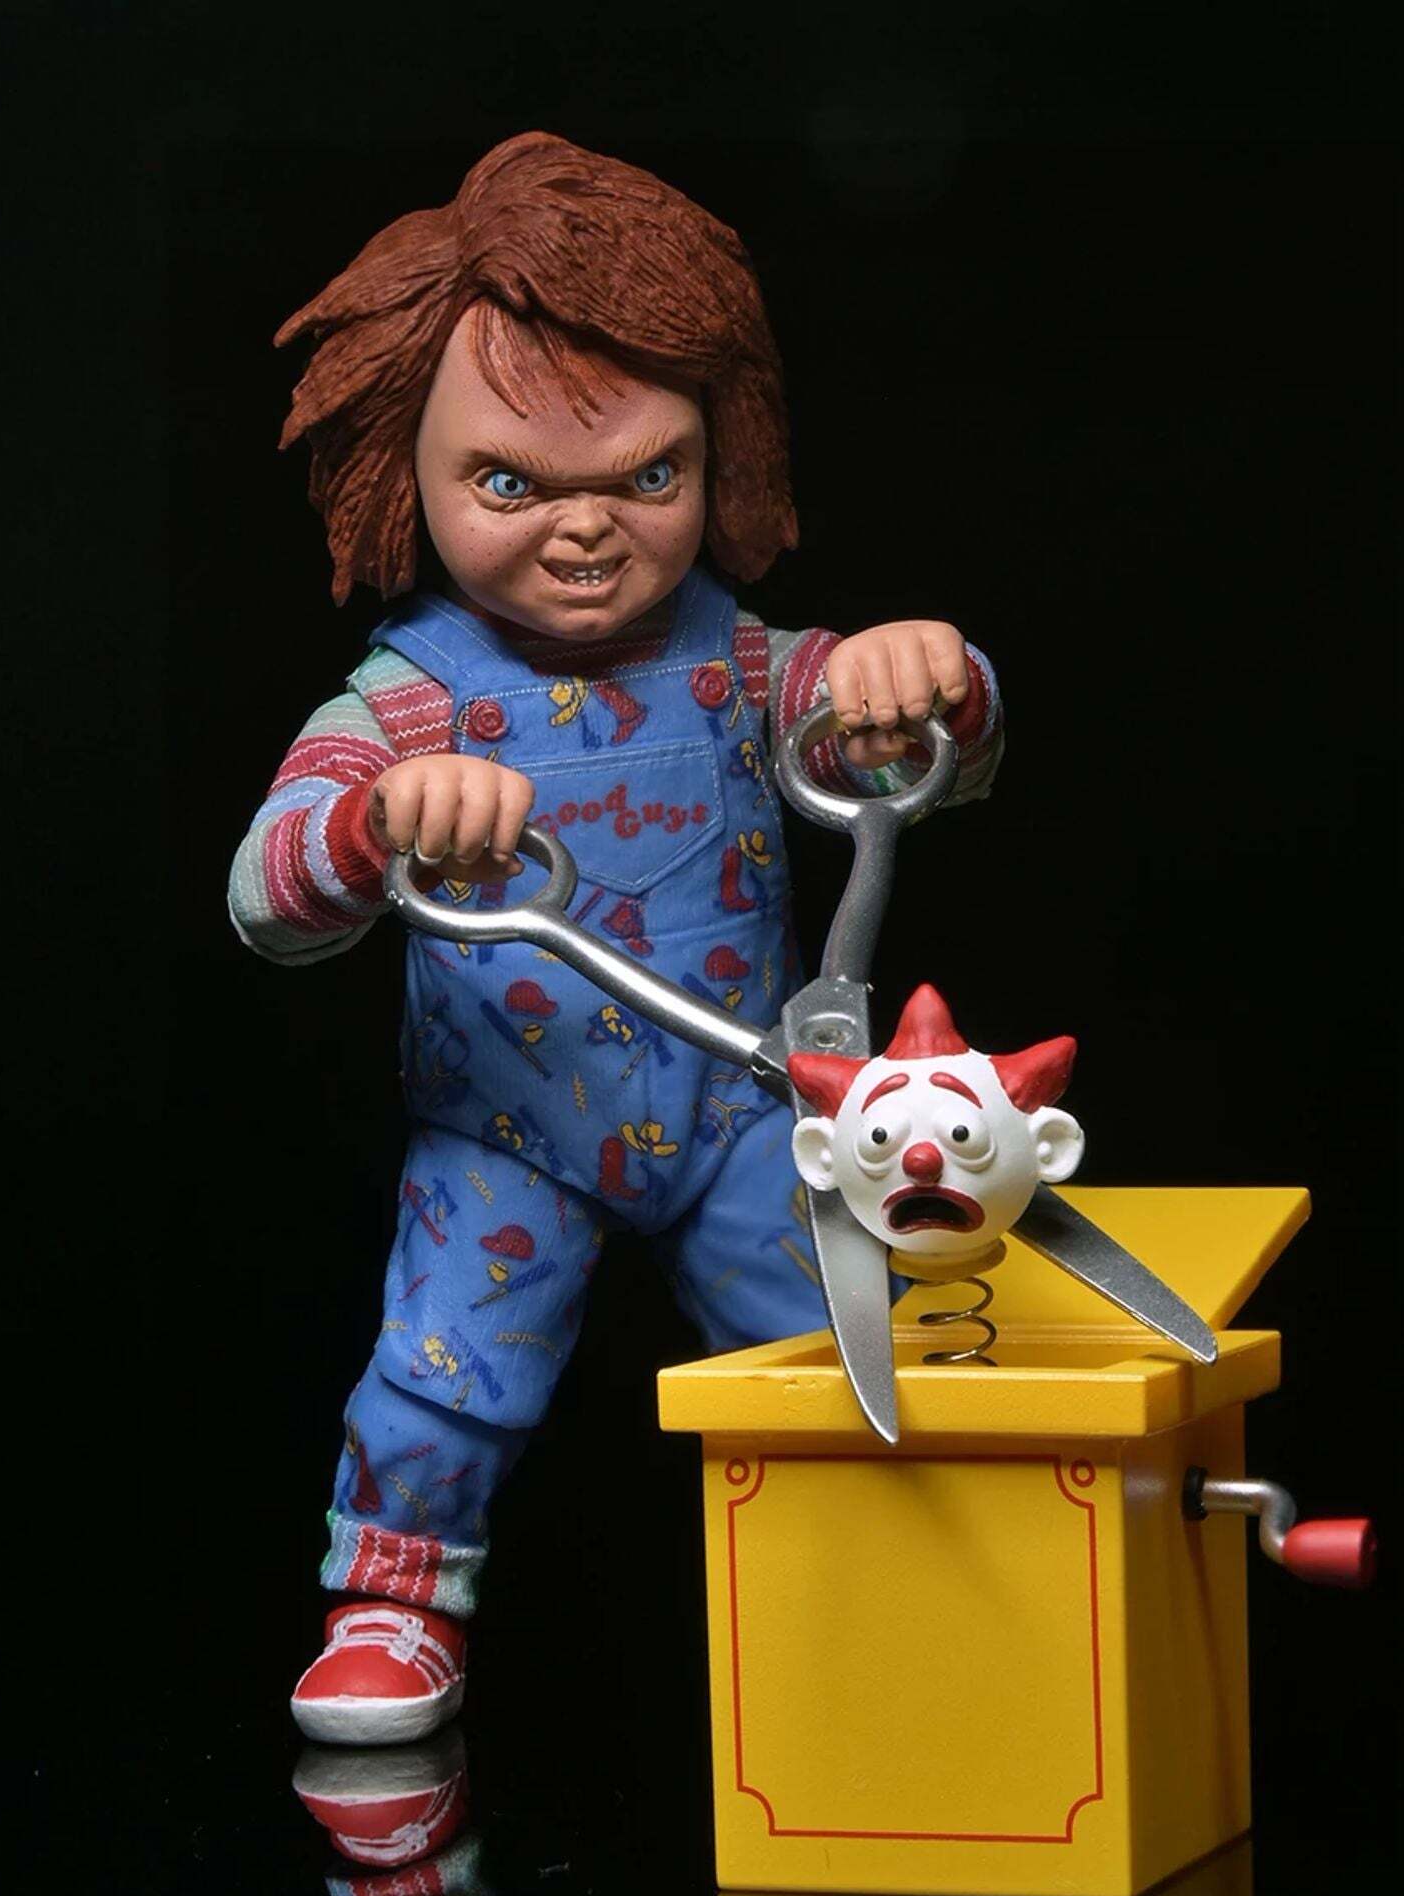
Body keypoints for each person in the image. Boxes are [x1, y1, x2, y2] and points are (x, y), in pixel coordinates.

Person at [230, 133, 1004, 1743]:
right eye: (509, 485)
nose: (586, 532)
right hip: (507, 1128)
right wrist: (376, 826)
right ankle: (392, 1602)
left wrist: (922, 681)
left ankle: (874, 1595)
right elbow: (266, 896)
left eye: (648, 478)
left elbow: (903, 757)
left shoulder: (743, 664)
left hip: (744, 1107)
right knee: (449, 1364)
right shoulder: (407, 703)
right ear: (406, 469)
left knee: (841, 1348)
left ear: (723, 455)